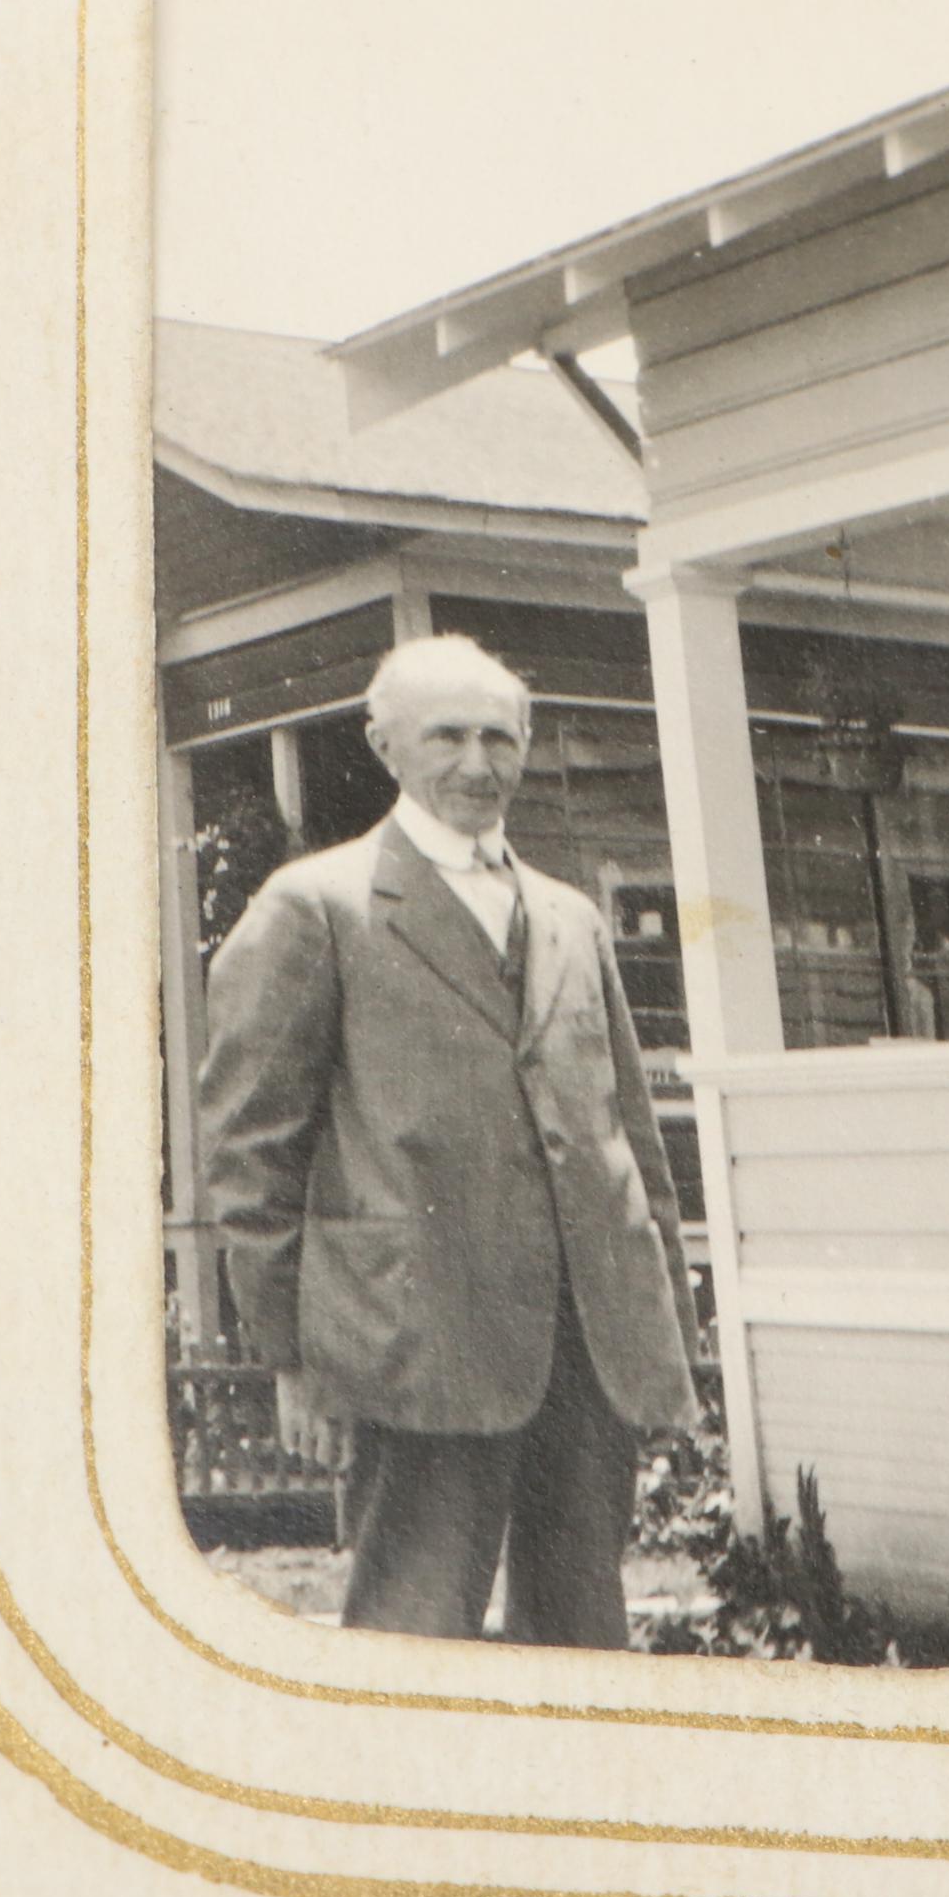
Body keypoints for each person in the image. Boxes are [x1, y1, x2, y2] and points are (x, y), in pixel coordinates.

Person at [200, 634, 702, 1646]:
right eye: (448, 736)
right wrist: (290, 1355)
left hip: (582, 1338)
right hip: (416, 1338)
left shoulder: (567, 918)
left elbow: (627, 1135)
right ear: (385, 745)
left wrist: (659, 1324)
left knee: (581, 1633)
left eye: (499, 737)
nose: (479, 764)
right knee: (413, 1632)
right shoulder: (317, 907)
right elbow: (251, 1150)